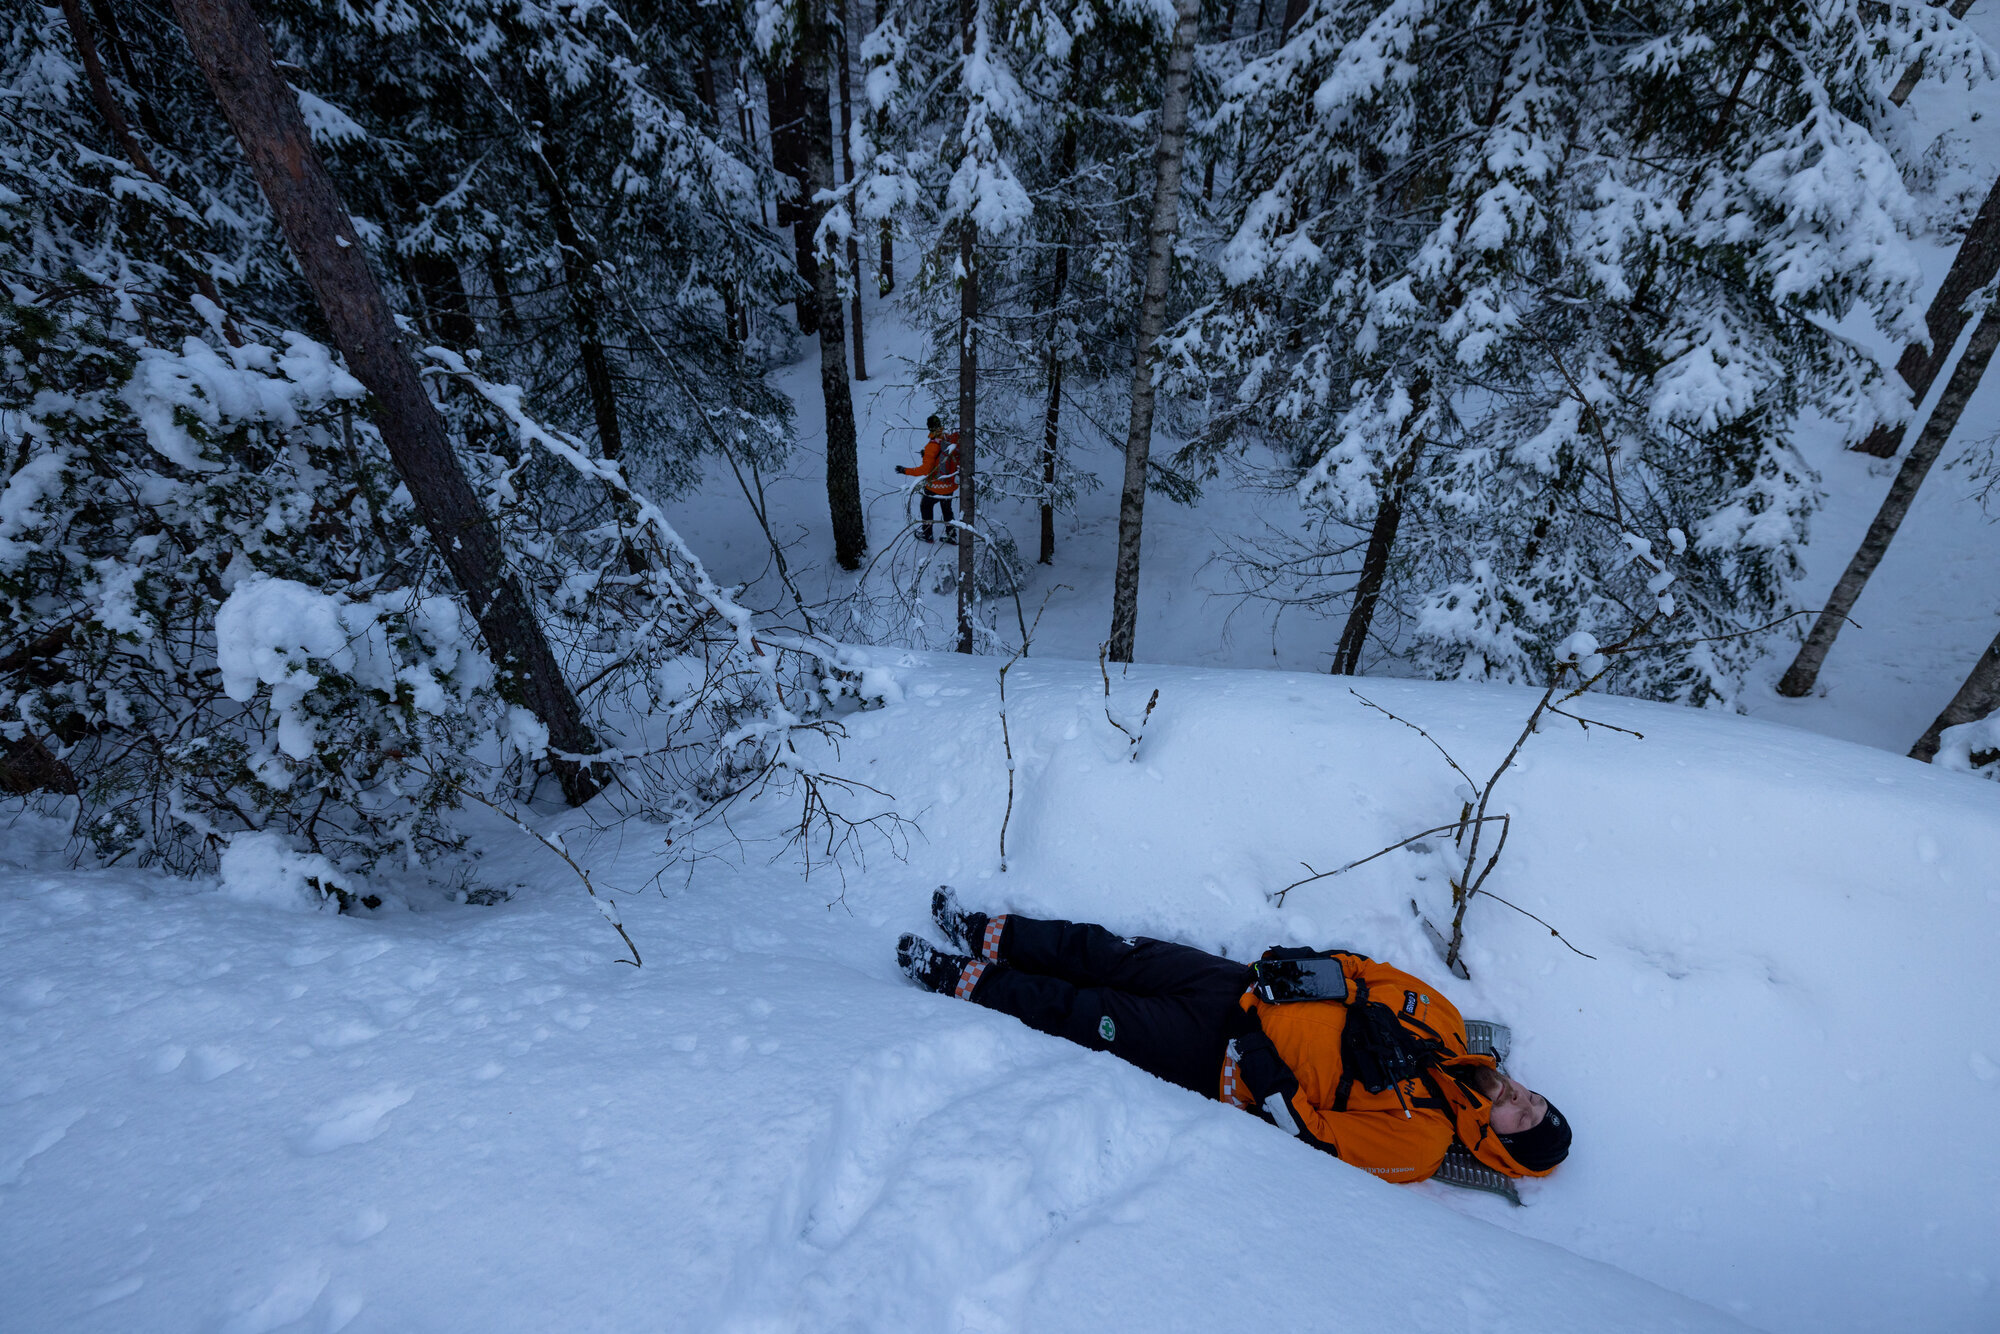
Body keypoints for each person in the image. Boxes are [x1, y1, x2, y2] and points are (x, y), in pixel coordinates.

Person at [897, 890, 1570, 1183]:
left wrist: (1259, 1051)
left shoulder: (1420, 1141)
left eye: (1521, 1117)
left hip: (1220, 1057)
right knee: (1104, 951)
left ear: (1499, 1146)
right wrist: (1302, 972)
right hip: (1237, 984)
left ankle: (956, 977)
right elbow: (1364, 973)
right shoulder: (1447, 1023)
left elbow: (1311, 1137)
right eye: (1533, 1098)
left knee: (1082, 1009)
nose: (1518, 1097)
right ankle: (984, 930)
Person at [896, 414, 960, 542]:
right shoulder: (948, 437)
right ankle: (951, 535)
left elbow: (925, 470)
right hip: (950, 483)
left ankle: (927, 534)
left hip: (935, 486)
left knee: (926, 506)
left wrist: (905, 470)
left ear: (929, 427)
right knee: (947, 509)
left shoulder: (932, 446)